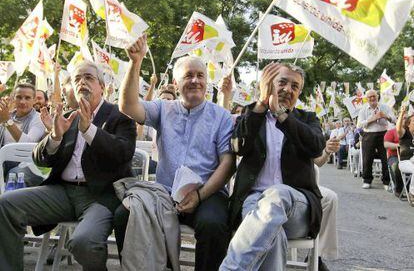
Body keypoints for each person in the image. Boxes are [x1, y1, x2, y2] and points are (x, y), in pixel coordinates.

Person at [0, 61, 137, 271]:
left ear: (102, 86)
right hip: (61, 192)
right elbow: (40, 159)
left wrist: (89, 130)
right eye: (77, 79)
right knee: (6, 204)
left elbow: (122, 154)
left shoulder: (119, 116)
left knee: (84, 242)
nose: (82, 82)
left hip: (100, 197)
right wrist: (54, 137)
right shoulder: (66, 117)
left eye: (89, 78)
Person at [116, 35, 235, 270]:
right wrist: (135, 63)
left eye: (200, 75)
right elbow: (128, 107)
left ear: (207, 81)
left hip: (207, 195)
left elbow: (228, 164)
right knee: (124, 215)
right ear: (175, 82)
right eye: (188, 75)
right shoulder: (163, 108)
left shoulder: (221, 116)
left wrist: (199, 196)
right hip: (165, 194)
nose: (195, 80)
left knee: (213, 225)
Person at [220, 62, 325, 270]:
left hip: (297, 206)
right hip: (254, 202)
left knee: (277, 195)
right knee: (272, 235)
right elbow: (238, 147)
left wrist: (282, 116)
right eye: (282, 82)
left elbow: (316, 148)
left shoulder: (307, 119)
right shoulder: (251, 116)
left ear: (299, 93)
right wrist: (260, 104)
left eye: (295, 86)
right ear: (268, 84)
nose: (287, 89)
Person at [357, 89, 395, 189]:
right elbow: (359, 125)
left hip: (383, 133)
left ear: (377, 96)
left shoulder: (385, 107)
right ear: (367, 99)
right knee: (367, 158)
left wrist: (385, 116)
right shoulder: (363, 109)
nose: (372, 98)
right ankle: (367, 180)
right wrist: (372, 119)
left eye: (374, 96)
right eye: (370, 97)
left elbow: (394, 119)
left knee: (385, 158)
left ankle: (386, 182)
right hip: (369, 134)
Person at [313, 137, 340, 271]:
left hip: (298, 184)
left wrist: (327, 151)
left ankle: (316, 256)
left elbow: (317, 161)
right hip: (267, 184)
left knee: (330, 197)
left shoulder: (302, 121)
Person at [395, 104, 414, 204]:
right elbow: (398, 129)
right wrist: (402, 113)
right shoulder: (404, 133)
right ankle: (412, 194)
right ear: (408, 124)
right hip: (405, 162)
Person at [383, 124, 403, 197]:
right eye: (403, 118)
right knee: (396, 166)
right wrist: (398, 145)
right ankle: (399, 189)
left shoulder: (410, 132)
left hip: (408, 156)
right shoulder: (391, 132)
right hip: (394, 156)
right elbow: (386, 144)